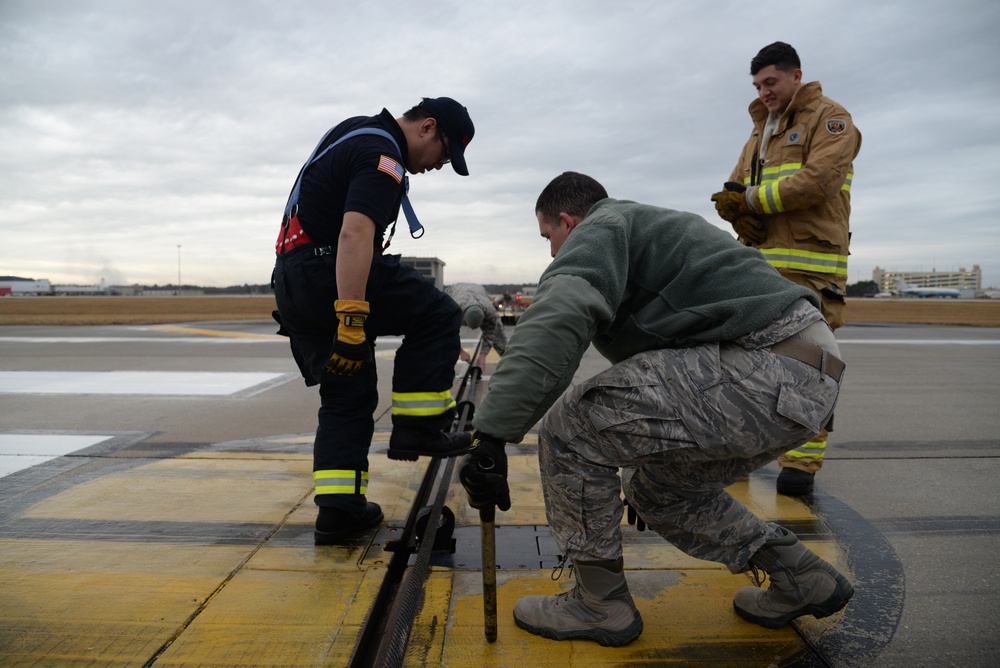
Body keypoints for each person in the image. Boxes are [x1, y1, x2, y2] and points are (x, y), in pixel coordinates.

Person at [459, 172, 854, 647]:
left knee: (571, 427)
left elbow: (560, 313)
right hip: (802, 383)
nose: (551, 253)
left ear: (568, 221)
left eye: (549, 237)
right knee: (657, 490)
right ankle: (797, 574)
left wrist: (492, 435)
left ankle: (598, 604)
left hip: (766, 365)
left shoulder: (603, 227)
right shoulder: (644, 236)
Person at [272, 97, 475, 545]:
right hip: (328, 272)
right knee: (439, 312)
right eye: (445, 154)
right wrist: (350, 316)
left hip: (292, 281)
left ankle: (339, 512)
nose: (439, 166)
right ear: (427, 127)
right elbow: (356, 232)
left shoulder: (353, 130)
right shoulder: (384, 155)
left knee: (348, 391)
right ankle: (418, 427)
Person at [711, 42, 861, 496]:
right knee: (742, 364)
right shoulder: (760, 130)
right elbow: (735, 186)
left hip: (813, 274)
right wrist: (733, 209)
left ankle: (800, 464)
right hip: (760, 271)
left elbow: (819, 181)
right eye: (758, 85)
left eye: (771, 82)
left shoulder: (832, 120)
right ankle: (737, 451)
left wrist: (752, 201)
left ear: (796, 75)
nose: (764, 91)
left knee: (810, 368)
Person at [444, 282, 509, 368]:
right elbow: (449, 333)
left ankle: (509, 360)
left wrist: (483, 355)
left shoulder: (490, 311)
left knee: (498, 332)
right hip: (456, 290)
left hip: (479, 292)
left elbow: (490, 332)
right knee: (442, 339)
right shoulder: (453, 309)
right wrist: (461, 351)